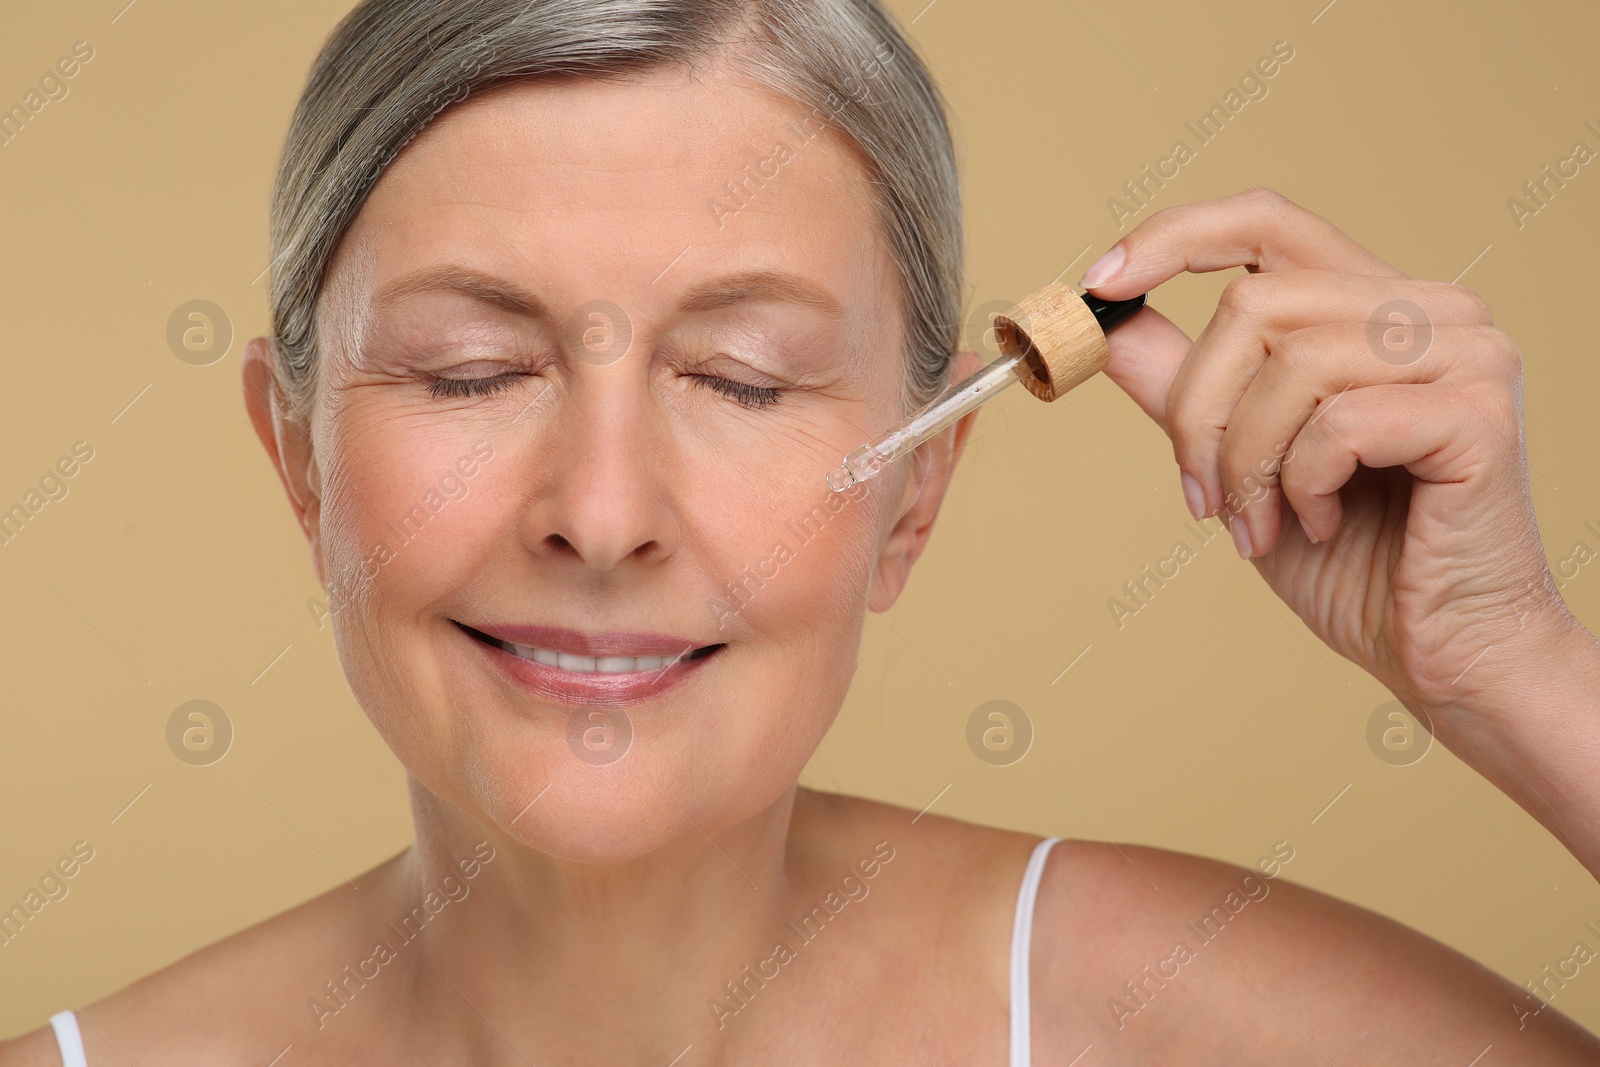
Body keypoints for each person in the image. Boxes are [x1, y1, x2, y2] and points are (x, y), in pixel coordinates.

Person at [7, 0, 1600, 1062]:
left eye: (743, 380)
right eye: (472, 371)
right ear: (295, 453)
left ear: (919, 489)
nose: (604, 512)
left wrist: (1518, 675)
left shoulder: (1204, 1020)